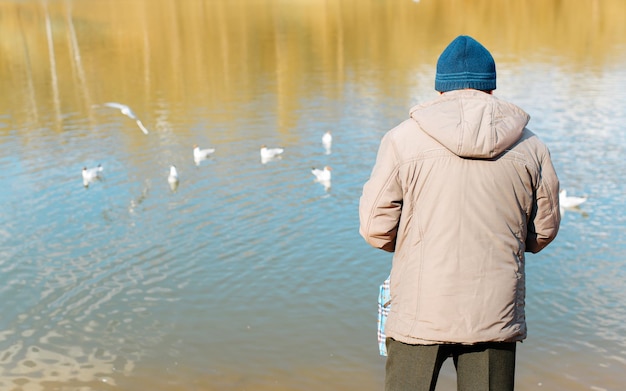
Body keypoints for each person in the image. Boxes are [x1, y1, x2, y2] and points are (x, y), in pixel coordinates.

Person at [359, 35, 561, 391]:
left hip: (419, 312)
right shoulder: (532, 146)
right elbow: (543, 231)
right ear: (491, 89)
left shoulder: (402, 140)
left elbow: (375, 228)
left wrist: (417, 244)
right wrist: (510, 240)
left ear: (439, 90)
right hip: (494, 314)